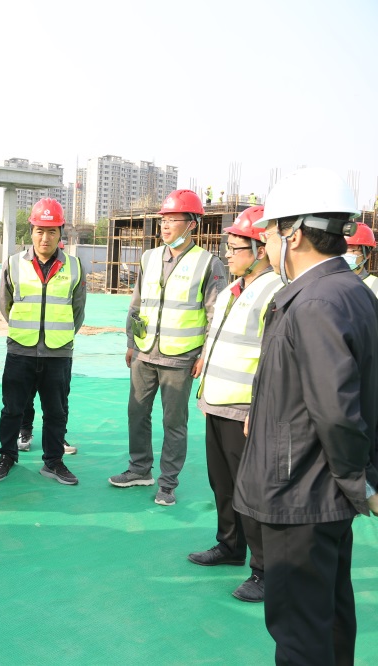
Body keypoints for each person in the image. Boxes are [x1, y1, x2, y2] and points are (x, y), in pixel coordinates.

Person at [235, 168, 378, 664]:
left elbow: (336, 411)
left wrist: (359, 481)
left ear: (293, 234)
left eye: (270, 234)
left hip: (301, 492)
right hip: (322, 494)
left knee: (300, 632)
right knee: (329, 615)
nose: (267, 245)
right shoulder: (349, 290)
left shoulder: (314, 302)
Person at [187, 205, 281, 603]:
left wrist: (258, 408)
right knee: (222, 483)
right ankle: (230, 545)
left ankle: (265, 570)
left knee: (252, 492)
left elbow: (274, 358)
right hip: (217, 402)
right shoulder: (231, 290)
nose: (227, 254)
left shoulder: (275, 292)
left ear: (259, 250)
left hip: (245, 409)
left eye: (235, 247)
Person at [111, 189, 227, 506]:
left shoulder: (209, 264)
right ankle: (139, 469)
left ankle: (167, 483)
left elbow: (215, 315)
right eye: (164, 219)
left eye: (174, 219)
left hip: (180, 358)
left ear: (192, 224)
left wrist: (205, 356)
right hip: (144, 352)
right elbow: (137, 305)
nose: (165, 225)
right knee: (137, 413)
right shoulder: (149, 258)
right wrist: (131, 342)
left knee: (173, 423)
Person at [0, 198, 84, 486]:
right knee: (12, 409)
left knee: (56, 411)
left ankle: (53, 461)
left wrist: (59, 335)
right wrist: (25, 331)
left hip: (58, 353)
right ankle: (7, 456)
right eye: (40, 231)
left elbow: (78, 310)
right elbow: (5, 304)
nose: (45, 238)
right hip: (21, 350)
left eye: (52, 231)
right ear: (31, 231)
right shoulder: (13, 263)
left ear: (60, 233)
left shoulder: (74, 266)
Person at [343, 222, 378, 295]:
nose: (344, 254)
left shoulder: (375, 286)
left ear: (367, 255)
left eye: (351, 250)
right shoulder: (325, 282)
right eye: (341, 250)